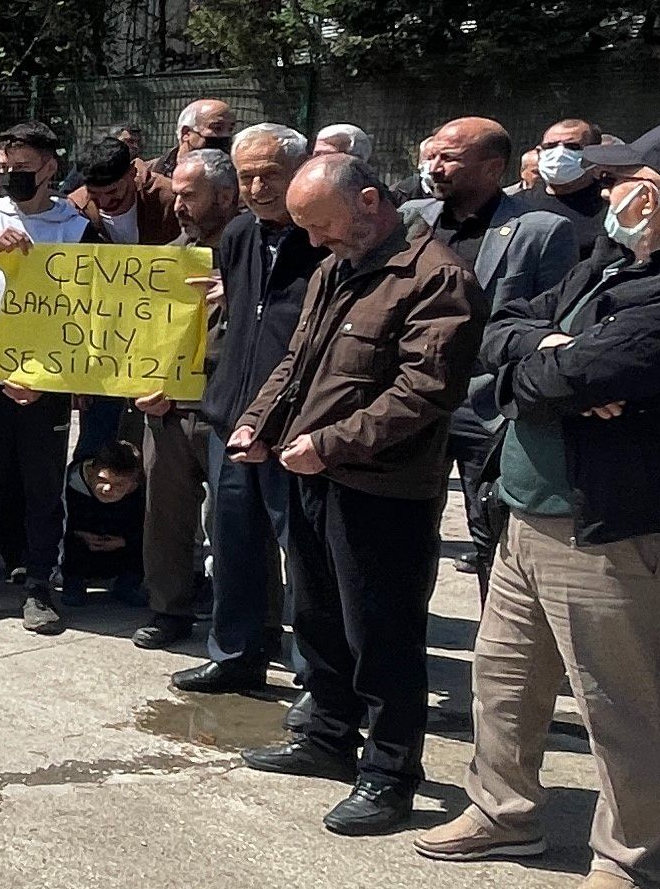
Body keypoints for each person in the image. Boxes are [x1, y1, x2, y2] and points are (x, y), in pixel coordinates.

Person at [424, 124, 660, 889]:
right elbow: (501, 329)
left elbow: (583, 372)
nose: (609, 193)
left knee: (622, 700)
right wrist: (548, 354)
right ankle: (504, 812)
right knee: (505, 680)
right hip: (529, 510)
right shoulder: (611, 259)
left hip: (617, 522)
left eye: (626, 179)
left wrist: (551, 366)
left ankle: (631, 859)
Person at [227, 151, 479, 834]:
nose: (315, 242)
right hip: (310, 472)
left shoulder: (437, 278)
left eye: (325, 226)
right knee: (318, 616)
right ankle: (326, 737)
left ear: (371, 201)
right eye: (307, 230)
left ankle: (390, 774)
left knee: (383, 635)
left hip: (383, 488)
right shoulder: (338, 266)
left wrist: (329, 443)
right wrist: (260, 420)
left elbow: (423, 392)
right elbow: (297, 360)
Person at [408, 116, 592, 596]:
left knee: (492, 535)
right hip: (412, 399)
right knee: (402, 536)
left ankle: (500, 655)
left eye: (449, 157)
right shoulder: (413, 220)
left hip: (485, 406)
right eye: (433, 155)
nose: (435, 166)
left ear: (492, 167)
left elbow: (542, 323)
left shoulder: (540, 230)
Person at [172, 126, 319, 698]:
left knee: (303, 554)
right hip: (232, 418)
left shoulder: (323, 238)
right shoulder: (237, 236)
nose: (258, 187)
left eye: (271, 175)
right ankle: (235, 654)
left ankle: (314, 673)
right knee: (232, 543)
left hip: (297, 424)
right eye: (248, 176)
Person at [0, 124, 92, 630]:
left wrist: (56, 375)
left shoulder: (76, 227)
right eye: (6, 170)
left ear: (51, 168)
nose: (13, 178)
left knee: (42, 487)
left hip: (45, 381)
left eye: (24, 170)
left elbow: (94, 311)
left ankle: (38, 587)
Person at [126, 148, 237, 649]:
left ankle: (247, 620)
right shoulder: (167, 258)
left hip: (232, 415)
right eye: (176, 196)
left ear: (226, 197)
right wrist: (140, 389)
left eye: (190, 196)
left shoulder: (258, 253)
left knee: (235, 525)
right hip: (168, 411)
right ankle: (168, 609)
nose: (178, 206)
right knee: (164, 518)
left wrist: (237, 289)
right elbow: (137, 336)